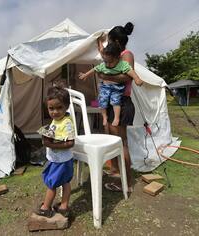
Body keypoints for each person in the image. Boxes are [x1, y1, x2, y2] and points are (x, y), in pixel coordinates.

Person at [97, 22, 136, 193]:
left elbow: (127, 77)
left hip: (122, 102)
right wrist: (99, 42)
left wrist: (104, 76)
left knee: (122, 143)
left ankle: (126, 183)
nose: (108, 45)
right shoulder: (115, 55)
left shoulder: (126, 55)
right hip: (114, 103)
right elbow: (103, 52)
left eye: (110, 41)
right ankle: (115, 172)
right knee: (114, 141)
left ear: (117, 42)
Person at [79, 42, 143, 127]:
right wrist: (85, 74)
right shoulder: (104, 64)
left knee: (115, 101)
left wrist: (137, 79)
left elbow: (130, 71)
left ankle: (116, 118)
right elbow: (95, 69)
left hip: (117, 88)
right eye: (106, 62)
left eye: (110, 62)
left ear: (118, 58)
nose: (108, 64)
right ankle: (104, 117)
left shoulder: (122, 65)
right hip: (105, 87)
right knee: (102, 101)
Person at [35, 86, 75, 218]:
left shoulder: (67, 123)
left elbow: (70, 143)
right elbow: (56, 133)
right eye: (51, 108)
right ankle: (63, 206)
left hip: (61, 161)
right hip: (59, 159)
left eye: (59, 108)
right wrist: (48, 133)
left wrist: (50, 144)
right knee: (65, 182)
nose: (55, 112)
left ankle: (46, 208)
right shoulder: (57, 120)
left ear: (67, 106)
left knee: (51, 184)